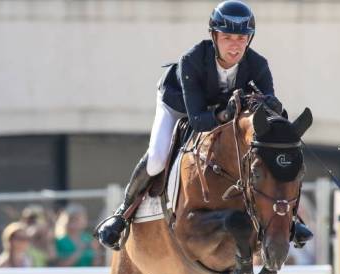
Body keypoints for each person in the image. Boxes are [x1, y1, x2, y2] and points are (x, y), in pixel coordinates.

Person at [96, 1, 312, 250]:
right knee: (157, 157)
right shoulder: (193, 59)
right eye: (227, 37)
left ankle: (292, 218)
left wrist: (273, 106)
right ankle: (122, 215)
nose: (235, 45)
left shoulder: (258, 65)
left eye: (242, 37)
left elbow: (267, 120)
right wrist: (223, 114)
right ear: (214, 36)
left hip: (223, 114)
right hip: (179, 105)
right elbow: (197, 120)